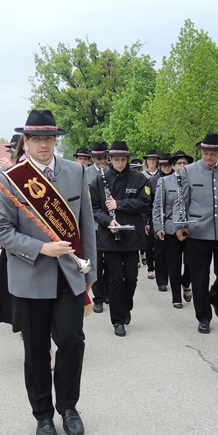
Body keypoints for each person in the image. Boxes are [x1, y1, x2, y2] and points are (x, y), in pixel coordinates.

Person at [0, 110, 96, 435]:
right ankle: (43, 415)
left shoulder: (76, 171)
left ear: (55, 139)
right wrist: (40, 249)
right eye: (36, 138)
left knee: (70, 341)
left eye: (49, 138)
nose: (43, 144)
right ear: (26, 141)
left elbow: (86, 223)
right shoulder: (10, 178)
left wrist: (90, 268)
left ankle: (69, 408)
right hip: (30, 275)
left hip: (69, 275)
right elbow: (1, 231)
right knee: (36, 350)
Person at [174, 132, 218, 334]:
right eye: (205, 152)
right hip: (197, 232)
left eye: (212, 153)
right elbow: (182, 201)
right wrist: (179, 226)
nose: (208, 156)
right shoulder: (188, 171)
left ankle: (215, 297)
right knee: (199, 278)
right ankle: (203, 317)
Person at [91, 141, 150, 337]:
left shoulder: (139, 178)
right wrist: (109, 221)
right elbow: (95, 208)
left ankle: (126, 307)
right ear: (110, 159)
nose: (119, 163)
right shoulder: (100, 180)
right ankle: (118, 320)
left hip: (132, 236)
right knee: (116, 279)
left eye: (123, 159)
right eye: (116, 159)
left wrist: (119, 204)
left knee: (131, 278)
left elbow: (144, 203)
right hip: (110, 236)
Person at [153, 151, 194, 308]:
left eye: (185, 163)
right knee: (174, 263)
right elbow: (157, 205)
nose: (182, 166)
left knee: (191, 262)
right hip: (171, 229)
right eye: (179, 163)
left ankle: (186, 281)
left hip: (191, 228)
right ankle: (176, 296)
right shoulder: (164, 181)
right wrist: (158, 227)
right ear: (172, 166)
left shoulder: (193, 180)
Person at [85, 140, 110, 313]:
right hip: (92, 225)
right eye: (98, 158)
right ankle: (98, 297)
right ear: (93, 158)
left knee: (110, 262)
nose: (101, 161)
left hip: (110, 224)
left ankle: (108, 292)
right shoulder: (84, 173)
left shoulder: (113, 172)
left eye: (104, 158)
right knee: (96, 263)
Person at [150, 152, 173, 291]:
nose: (166, 167)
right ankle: (162, 280)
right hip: (157, 219)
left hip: (172, 220)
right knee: (159, 252)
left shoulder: (178, 179)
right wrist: (148, 221)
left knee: (173, 253)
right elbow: (149, 202)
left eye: (168, 164)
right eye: (163, 165)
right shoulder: (154, 180)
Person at [142, 149, 160, 281]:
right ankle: (150, 267)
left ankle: (158, 264)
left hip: (158, 208)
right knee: (148, 242)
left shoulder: (162, 174)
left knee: (159, 242)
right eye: (150, 159)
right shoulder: (142, 175)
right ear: (146, 161)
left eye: (154, 159)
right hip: (146, 209)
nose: (152, 161)